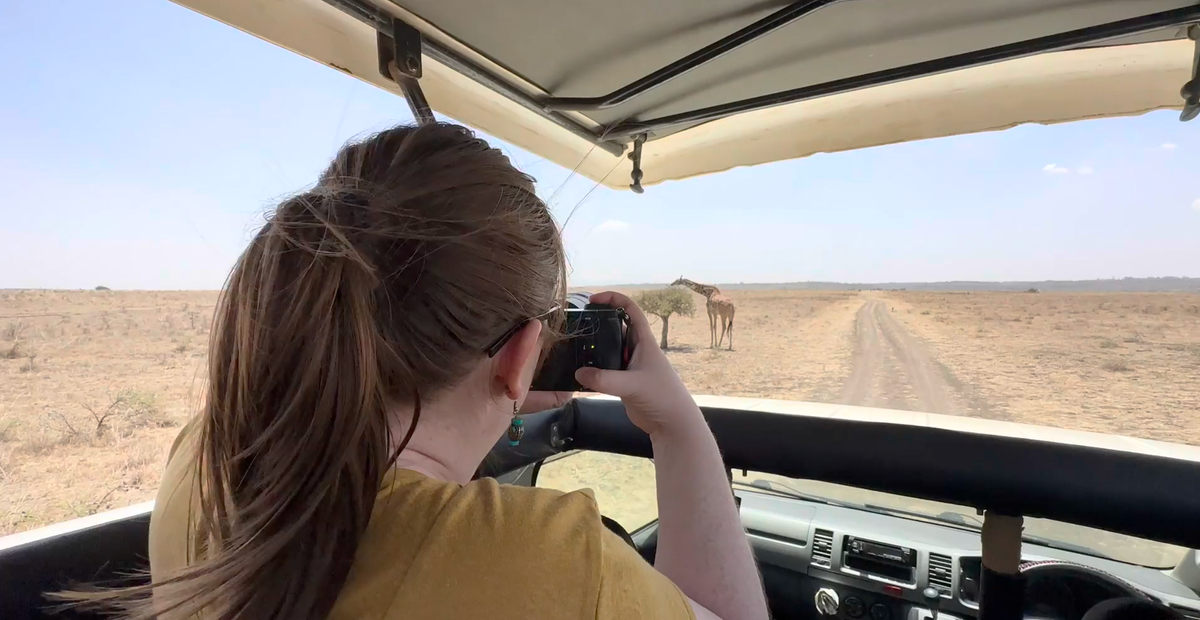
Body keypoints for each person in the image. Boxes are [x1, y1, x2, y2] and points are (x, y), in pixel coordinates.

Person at [66, 123, 768, 620]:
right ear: (524, 356)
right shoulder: (549, 562)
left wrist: (493, 398)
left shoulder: (204, 459)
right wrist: (677, 427)